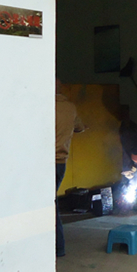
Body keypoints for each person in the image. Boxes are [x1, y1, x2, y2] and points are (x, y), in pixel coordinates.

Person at [55, 80, 85, 257]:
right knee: (52, 204)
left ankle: (58, 247)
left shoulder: (44, 105)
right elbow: (80, 127)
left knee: (47, 206)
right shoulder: (70, 107)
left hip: (45, 164)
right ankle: (58, 247)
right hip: (61, 163)